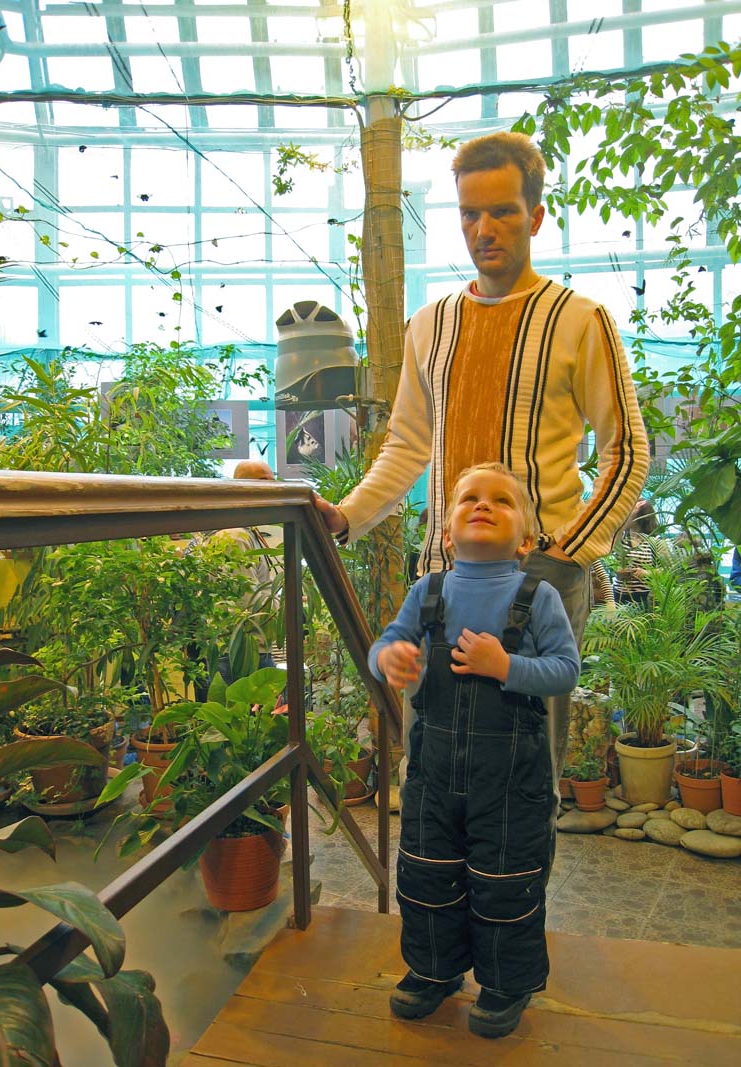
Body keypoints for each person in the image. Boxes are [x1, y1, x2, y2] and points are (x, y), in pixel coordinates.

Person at [316, 131, 649, 782]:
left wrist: (568, 548)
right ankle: (433, 852)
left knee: (525, 771)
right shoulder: (430, 325)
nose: (484, 229)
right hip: (443, 580)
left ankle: (520, 857)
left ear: (537, 216)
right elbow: (408, 444)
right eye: (470, 213)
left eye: (502, 211)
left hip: (537, 579)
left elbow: (627, 450)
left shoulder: (579, 320)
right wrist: (347, 514)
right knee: (432, 761)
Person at [370, 464, 579, 1038]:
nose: (482, 505)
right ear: (445, 533)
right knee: (426, 875)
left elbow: (565, 670)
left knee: (505, 883)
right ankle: (432, 971)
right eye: (469, 499)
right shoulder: (428, 591)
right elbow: (388, 642)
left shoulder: (537, 597)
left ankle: (506, 984)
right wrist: (388, 658)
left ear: (527, 540)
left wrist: (505, 665)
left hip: (510, 783)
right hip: (434, 777)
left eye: (501, 501)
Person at [188, 460, 280, 694]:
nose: (272, 489)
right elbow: (246, 601)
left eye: (273, 482)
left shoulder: (245, 529)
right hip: (240, 651)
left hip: (246, 647)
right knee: (245, 714)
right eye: (263, 482)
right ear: (241, 487)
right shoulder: (234, 535)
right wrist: (284, 610)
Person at [611, 498, 662, 606]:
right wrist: (619, 571)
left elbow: (666, 570)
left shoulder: (654, 541)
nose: (626, 513)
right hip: (619, 595)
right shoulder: (621, 537)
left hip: (645, 597)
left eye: (631, 510)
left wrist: (646, 573)